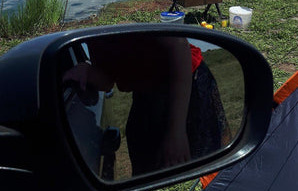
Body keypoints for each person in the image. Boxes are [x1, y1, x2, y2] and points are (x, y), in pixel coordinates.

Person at [63, 33, 230, 177]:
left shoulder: (122, 8)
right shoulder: (95, 31)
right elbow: (107, 79)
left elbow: (179, 45)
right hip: (145, 92)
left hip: (186, 84)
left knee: (203, 161)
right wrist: (86, 71)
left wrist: (176, 132)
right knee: (147, 163)